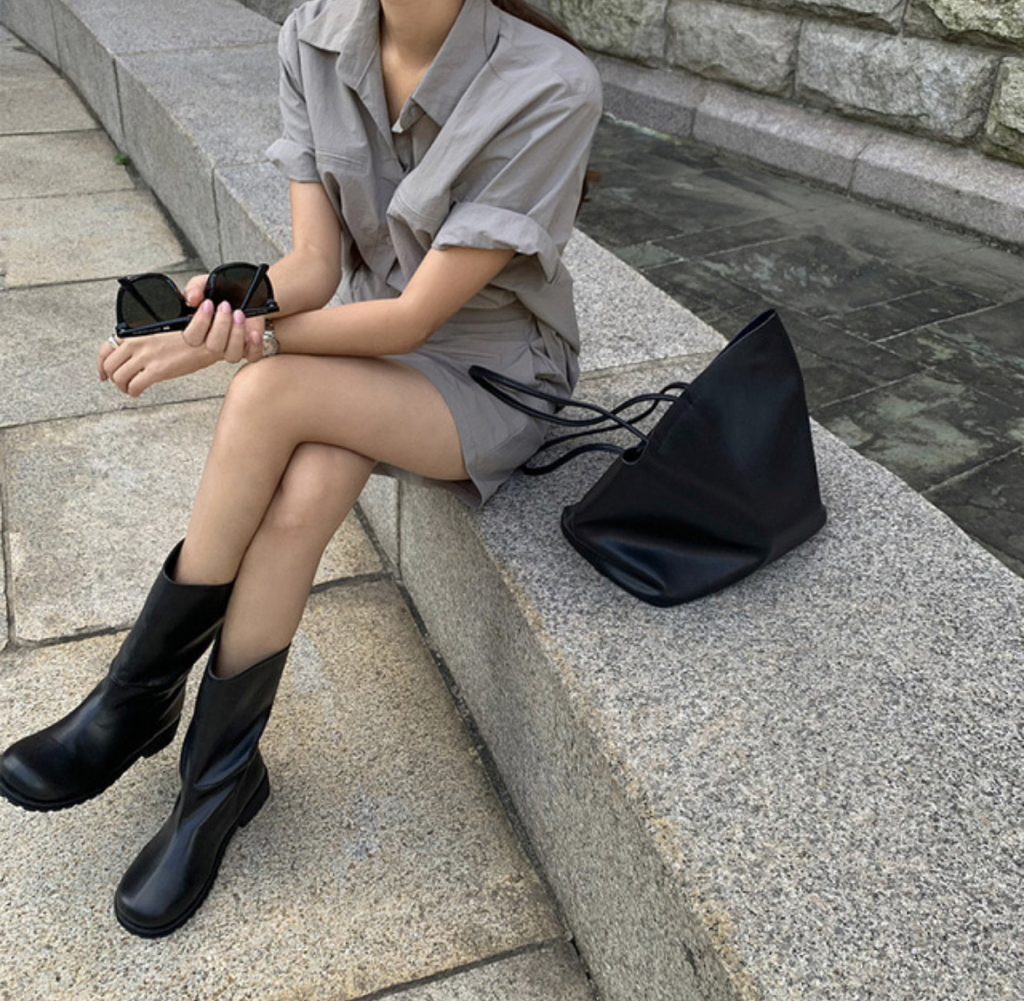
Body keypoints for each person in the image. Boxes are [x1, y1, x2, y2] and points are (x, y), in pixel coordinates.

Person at [0, 0, 601, 938]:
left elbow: (415, 318)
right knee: (308, 486)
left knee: (266, 392)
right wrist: (224, 310)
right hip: (365, 336)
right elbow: (317, 266)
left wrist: (235, 348)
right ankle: (219, 780)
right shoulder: (314, 37)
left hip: (491, 370)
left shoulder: (550, 85)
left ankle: (135, 699)